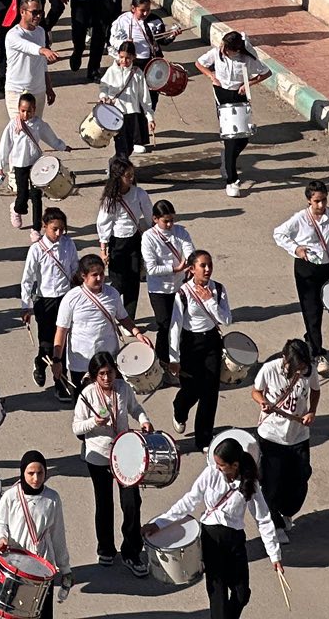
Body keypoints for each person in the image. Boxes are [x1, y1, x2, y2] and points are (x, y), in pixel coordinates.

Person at [148, 440, 282, 618]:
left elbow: (263, 518)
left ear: (234, 465)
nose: (217, 467)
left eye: (221, 465)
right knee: (218, 596)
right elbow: (189, 501)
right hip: (211, 538)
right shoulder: (211, 472)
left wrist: (275, 555)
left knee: (242, 594)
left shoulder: (250, 483)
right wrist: (160, 523)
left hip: (235, 540)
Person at [71, 350, 152, 574]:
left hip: (126, 453)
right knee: (104, 503)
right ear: (95, 376)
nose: (107, 378)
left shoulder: (123, 388)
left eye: (110, 373)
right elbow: (76, 427)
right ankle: (105, 548)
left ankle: (132, 552)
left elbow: (135, 408)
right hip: (98, 456)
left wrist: (144, 420)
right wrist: (93, 423)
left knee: (131, 502)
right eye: (102, 374)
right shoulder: (87, 395)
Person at [273, 180, 329, 372]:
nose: (321, 205)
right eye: (317, 201)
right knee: (311, 310)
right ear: (309, 201)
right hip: (306, 268)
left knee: (321, 308)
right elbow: (279, 234)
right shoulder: (300, 219)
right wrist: (296, 248)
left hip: (327, 267)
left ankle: (310, 338)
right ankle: (317, 354)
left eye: (324, 200)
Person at [53, 254, 146, 403]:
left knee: (113, 402)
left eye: (102, 274)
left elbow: (123, 317)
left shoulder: (112, 294)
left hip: (108, 359)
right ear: (83, 276)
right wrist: (57, 360)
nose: (99, 278)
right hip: (82, 362)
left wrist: (137, 333)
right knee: (86, 406)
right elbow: (61, 331)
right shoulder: (71, 298)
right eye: (94, 275)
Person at [250, 338, 320, 533]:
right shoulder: (270, 369)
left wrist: (312, 411)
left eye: (303, 365)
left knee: (301, 475)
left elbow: (315, 390)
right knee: (271, 483)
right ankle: (275, 523)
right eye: (296, 366)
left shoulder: (310, 371)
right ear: (285, 360)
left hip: (298, 435)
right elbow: (255, 391)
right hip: (271, 436)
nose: (300, 370)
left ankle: (288, 511)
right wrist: (263, 402)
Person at [167, 250, 233, 455]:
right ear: (192, 269)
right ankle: (180, 409)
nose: (207, 269)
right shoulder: (183, 293)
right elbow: (175, 326)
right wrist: (173, 357)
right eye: (202, 265)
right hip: (190, 343)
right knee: (192, 388)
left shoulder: (218, 290)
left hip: (212, 341)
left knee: (210, 392)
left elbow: (226, 320)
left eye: (209, 265)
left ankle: (203, 438)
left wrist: (210, 300)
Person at [0, 452, 72, 614]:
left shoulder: (52, 498)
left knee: (42, 611)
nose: (36, 478)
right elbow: (0, 523)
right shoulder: (10, 496)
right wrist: (1, 539)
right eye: (30, 473)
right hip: (17, 564)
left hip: (42, 564)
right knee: (15, 611)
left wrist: (65, 569)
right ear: (22, 473)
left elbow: (58, 535)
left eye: (40, 473)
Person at [197, 32, 270, 196]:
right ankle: (232, 181)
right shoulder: (217, 53)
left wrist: (248, 84)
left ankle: (227, 160)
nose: (223, 51)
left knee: (243, 138)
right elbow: (199, 63)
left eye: (227, 49)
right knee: (230, 138)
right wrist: (211, 75)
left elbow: (266, 73)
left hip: (239, 95)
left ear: (236, 50)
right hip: (221, 94)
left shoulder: (247, 59)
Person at [19, 206, 78, 390]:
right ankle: (40, 362)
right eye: (55, 229)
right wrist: (25, 306)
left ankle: (60, 382)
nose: (59, 233)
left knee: (63, 342)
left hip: (65, 299)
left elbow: (75, 268)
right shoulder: (36, 250)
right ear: (45, 226)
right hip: (44, 301)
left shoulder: (69, 244)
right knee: (46, 343)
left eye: (62, 229)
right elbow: (27, 279)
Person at [95, 158, 155, 318]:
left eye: (132, 175)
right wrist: (103, 249)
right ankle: (110, 311)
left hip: (134, 240)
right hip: (117, 243)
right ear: (118, 177)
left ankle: (129, 317)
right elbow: (104, 223)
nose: (131, 178)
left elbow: (149, 215)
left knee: (133, 281)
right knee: (118, 282)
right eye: (127, 175)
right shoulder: (110, 199)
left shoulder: (139, 193)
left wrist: (153, 233)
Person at [0, 94, 67, 230]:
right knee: (22, 195)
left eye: (29, 111)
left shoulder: (39, 125)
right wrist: (0, 166)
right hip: (20, 165)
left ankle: (36, 229)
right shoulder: (13, 125)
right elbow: (5, 145)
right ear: (18, 109)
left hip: (36, 164)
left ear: (34, 110)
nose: (26, 114)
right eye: (23, 110)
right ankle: (16, 208)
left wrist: (62, 146)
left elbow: (51, 138)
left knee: (36, 197)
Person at [140, 200, 195, 356]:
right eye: (166, 221)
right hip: (159, 290)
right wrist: (175, 269)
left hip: (179, 286)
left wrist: (191, 263)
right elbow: (151, 268)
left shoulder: (181, 232)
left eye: (172, 220)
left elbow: (190, 250)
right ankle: (162, 360)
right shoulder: (148, 237)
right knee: (164, 327)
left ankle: (180, 357)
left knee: (183, 324)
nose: (170, 224)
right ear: (155, 219)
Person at [2, 0, 58, 122]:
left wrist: (49, 88)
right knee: (21, 132)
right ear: (22, 12)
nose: (38, 16)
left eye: (40, 12)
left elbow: (42, 64)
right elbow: (27, 47)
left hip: (38, 90)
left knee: (34, 131)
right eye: (34, 12)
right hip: (17, 92)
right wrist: (43, 50)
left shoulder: (40, 32)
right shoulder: (13, 35)